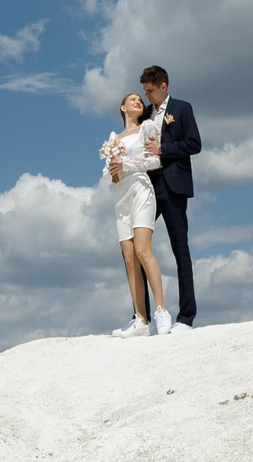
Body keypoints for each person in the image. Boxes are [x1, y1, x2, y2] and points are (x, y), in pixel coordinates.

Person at [101, 91, 171, 336]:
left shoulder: (147, 128)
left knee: (143, 250)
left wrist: (126, 165)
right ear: (122, 108)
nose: (138, 101)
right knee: (129, 258)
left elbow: (155, 162)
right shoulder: (114, 138)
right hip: (121, 196)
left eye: (140, 100)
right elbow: (108, 173)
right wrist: (112, 170)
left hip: (142, 189)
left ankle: (161, 311)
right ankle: (140, 320)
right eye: (132, 100)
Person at [139, 65, 200, 328]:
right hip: (147, 188)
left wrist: (163, 148)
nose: (147, 96)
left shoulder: (183, 108)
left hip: (174, 187)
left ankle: (186, 317)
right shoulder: (144, 115)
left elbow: (194, 144)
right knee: (137, 248)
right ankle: (141, 316)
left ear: (163, 86)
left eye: (150, 91)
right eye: (145, 91)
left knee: (180, 250)